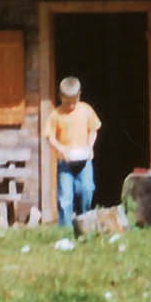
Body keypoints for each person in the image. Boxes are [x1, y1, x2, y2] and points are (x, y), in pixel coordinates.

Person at [44, 76, 101, 227]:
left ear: (79, 95)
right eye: (67, 102)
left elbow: (93, 129)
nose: (71, 105)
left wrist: (90, 146)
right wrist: (59, 148)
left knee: (87, 189)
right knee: (65, 198)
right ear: (61, 97)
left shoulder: (86, 110)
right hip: (65, 162)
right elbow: (49, 136)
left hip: (84, 160)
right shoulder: (56, 115)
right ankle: (66, 230)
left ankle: (84, 224)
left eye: (74, 101)